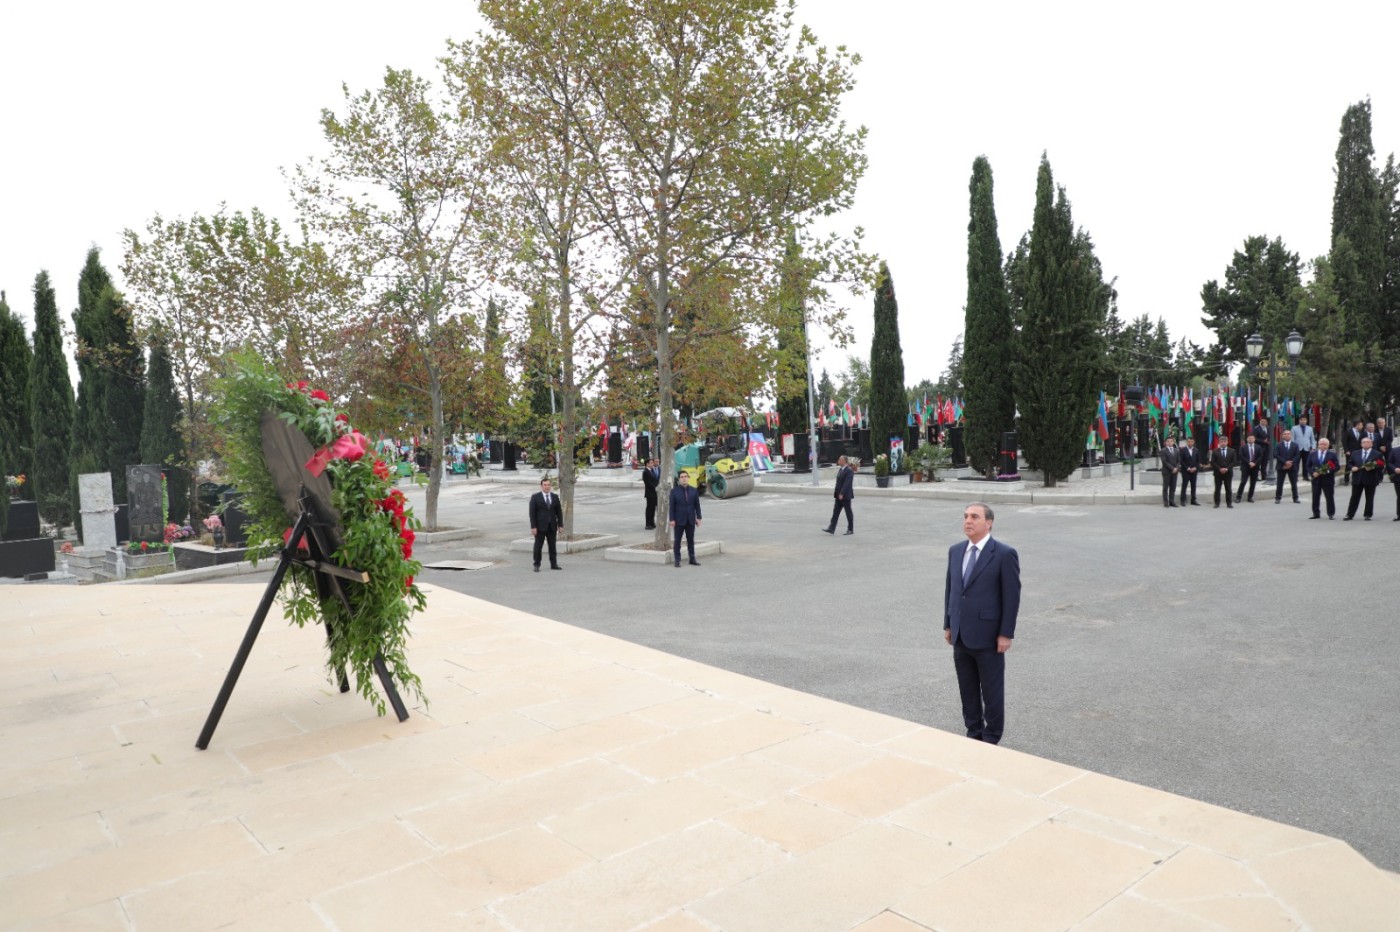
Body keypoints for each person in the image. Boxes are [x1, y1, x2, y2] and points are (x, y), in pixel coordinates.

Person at [943, 502, 1020, 745]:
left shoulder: (1004, 554)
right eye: (966, 516)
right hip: (960, 634)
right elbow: (952, 590)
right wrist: (948, 623)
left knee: (992, 692)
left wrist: (1005, 633)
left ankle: (991, 738)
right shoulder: (956, 551)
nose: (968, 521)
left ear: (989, 522)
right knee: (967, 689)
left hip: (988, 637)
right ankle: (973, 732)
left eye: (975, 517)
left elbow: (1011, 596)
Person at [528, 476, 563, 571]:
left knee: (552, 546)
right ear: (541, 486)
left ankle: (554, 564)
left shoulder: (555, 497)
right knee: (538, 546)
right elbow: (532, 513)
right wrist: (533, 527)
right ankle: (536, 565)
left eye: (548, 485)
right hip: (540, 527)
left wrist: (560, 525)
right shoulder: (535, 497)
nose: (547, 487)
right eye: (545, 485)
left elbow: (559, 512)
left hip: (552, 526)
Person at [669, 470, 703, 567]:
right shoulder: (674, 491)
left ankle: (692, 558)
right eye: (682, 477)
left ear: (688, 478)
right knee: (677, 541)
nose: (684, 478)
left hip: (691, 520)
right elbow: (672, 507)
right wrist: (672, 519)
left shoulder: (693, 490)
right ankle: (677, 560)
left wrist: (699, 517)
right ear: (679, 479)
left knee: (691, 540)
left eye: (685, 476)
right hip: (679, 520)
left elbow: (697, 505)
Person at [1345, 435, 1381, 520]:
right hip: (1357, 478)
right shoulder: (1355, 453)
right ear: (1361, 444)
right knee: (1354, 497)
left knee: (1369, 498)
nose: (1366, 444)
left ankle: (1367, 514)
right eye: (1364, 442)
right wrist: (1351, 467)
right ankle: (1350, 514)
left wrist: (1373, 467)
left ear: (1371, 444)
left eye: (1368, 442)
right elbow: (1350, 463)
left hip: (1370, 478)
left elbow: (1381, 465)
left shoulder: (1377, 454)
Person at [823, 455, 855, 534]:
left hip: (845, 495)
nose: (838, 461)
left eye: (839, 459)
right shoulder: (841, 469)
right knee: (835, 512)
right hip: (838, 496)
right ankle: (831, 528)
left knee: (848, 513)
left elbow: (847, 483)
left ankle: (850, 529)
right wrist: (837, 493)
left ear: (844, 461)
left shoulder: (849, 470)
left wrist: (842, 493)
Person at [1308, 438, 1340, 520]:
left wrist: (1328, 471)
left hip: (1327, 479)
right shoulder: (1312, 454)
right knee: (1315, 497)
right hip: (1316, 479)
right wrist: (1312, 473)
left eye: (1325, 444)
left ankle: (1331, 513)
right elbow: (1307, 466)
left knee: (1329, 497)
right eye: (1321, 444)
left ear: (1328, 445)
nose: (1323, 445)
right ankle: (1316, 513)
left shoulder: (1332, 455)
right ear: (1318, 445)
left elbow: (1337, 466)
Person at [1273, 429, 1301, 504]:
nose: (1287, 435)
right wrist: (1285, 462)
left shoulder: (1295, 445)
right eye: (1285, 434)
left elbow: (1297, 455)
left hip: (1292, 467)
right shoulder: (1279, 445)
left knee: (1294, 483)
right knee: (1279, 483)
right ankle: (1278, 498)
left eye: (1288, 434)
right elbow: (1276, 455)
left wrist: (1291, 463)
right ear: (1282, 436)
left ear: (1291, 435)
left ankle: (1295, 498)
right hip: (1282, 466)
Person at [1235, 434, 1263, 503]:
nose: (1251, 439)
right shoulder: (1243, 447)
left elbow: (1260, 456)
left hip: (1255, 467)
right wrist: (1249, 462)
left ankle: (1250, 497)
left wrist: (1254, 463)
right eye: (1249, 438)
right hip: (1245, 467)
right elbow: (1241, 456)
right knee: (1243, 482)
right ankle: (1238, 497)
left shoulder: (1258, 447)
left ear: (1254, 439)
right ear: (1247, 439)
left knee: (1253, 483)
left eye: (1252, 438)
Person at [1211, 441, 1237, 508]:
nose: (1223, 443)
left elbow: (1233, 462)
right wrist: (1219, 469)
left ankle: (1229, 503)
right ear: (1219, 443)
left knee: (1228, 488)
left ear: (1227, 442)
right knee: (1217, 488)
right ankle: (1217, 503)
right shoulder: (1215, 451)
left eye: (1224, 442)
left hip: (1228, 473)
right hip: (1218, 473)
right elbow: (1213, 462)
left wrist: (1227, 469)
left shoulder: (1232, 451)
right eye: (1222, 442)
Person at [1178, 435, 1201, 505]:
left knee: (1193, 485)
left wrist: (1195, 468)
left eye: (1191, 441)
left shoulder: (1196, 450)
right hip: (1186, 471)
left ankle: (1193, 500)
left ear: (1193, 442)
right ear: (1186, 442)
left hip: (1194, 471)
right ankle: (1183, 500)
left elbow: (1198, 461)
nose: (1190, 443)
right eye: (1189, 441)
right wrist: (1187, 468)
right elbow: (1181, 461)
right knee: (1184, 485)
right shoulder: (1182, 450)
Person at [1159, 435, 1181, 508]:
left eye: (1171, 441)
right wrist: (1172, 468)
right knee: (1165, 487)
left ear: (1173, 442)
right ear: (1165, 442)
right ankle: (1166, 502)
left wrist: (1176, 468)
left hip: (1175, 472)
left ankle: (1172, 501)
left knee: (1173, 487)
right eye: (1168, 441)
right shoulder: (1163, 451)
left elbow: (1178, 461)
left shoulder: (1176, 450)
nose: (1170, 442)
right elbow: (1164, 462)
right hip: (1167, 471)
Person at [1342, 419, 1364, 485]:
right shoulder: (1348, 432)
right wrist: (1346, 450)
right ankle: (1346, 480)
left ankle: (1356, 479)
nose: (1362, 426)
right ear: (1357, 425)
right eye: (1361, 425)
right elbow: (1344, 442)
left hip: (1358, 452)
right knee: (1348, 466)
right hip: (1350, 452)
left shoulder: (1361, 433)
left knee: (1358, 465)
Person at [1293, 414, 1316, 478]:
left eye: (1304, 420)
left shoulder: (1310, 428)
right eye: (1301, 420)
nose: (1302, 421)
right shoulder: (1294, 428)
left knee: (1306, 463)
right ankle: (1295, 476)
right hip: (1297, 449)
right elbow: (1292, 439)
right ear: (1299, 421)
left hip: (1307, 448)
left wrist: (1313, 448)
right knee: (1296, 463)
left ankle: (1305, 476)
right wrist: (1293, 448)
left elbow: (1312, 439)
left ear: (1306, 421)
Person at [641, 458, 661, 530]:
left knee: (653, 509)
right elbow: (648, 483)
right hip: (650, 493)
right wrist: (655, 488)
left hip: (654, 493)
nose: (653, 464)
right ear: (647, 464)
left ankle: (652, 522)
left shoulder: (651, 471)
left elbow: (655, 481)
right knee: (649, 509)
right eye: (651, 463)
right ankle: (648, 523)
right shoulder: (645, 472)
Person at [1388, 434, 1400, 520]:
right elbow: (1389, 463)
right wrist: (1394, 469)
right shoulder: (1394, 451)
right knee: (1399, 496)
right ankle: (1399, 515)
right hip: (1398, 477)